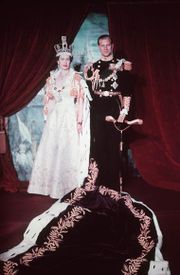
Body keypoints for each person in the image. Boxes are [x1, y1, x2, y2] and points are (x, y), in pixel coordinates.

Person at [27, 36, 92, 199]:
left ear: (70, 60)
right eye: (62, 59)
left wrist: (78, 121)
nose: (65, 62)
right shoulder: (52, 77)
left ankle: (67, 186)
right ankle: (48, 185)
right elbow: (47, 100)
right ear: (57, 60)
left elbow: (80, 102)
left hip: (69, 115)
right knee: (52, 149)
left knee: (66, 148)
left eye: (68, 59)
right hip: (55, 117)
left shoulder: (75, 77)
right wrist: (48, 115)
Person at [84, 34, 134, 192]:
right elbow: (89, 91)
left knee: (113, 145)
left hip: (114, 106)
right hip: (98, 108)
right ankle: (98, 183)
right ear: (99, 47)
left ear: (112, 45)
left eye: (108, 45)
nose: (105, 48)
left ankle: (113, 185)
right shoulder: (94, 67)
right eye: (102, 45)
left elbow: (127, 90)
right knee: (98, 145)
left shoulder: (121, 65)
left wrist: (124, 111)